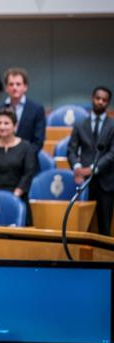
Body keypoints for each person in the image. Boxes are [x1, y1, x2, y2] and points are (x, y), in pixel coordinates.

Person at [68, 87, 114, 235]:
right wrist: (77, 167)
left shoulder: (112, 125)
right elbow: (71, 150)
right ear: (92, 98)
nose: (100, 102)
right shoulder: (80, 124)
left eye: (104, 100)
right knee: (82, 228)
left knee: (104, 227)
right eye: (98, 98)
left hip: (105, 182)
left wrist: (94, 168)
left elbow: (112, 154)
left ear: (108, 103)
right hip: (83, 182)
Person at [0, 108, 37, 226]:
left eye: (6, 123)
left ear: (15, 126)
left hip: (18, 197)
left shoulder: (26, 147)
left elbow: (28, 173)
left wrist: (16, 194)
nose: (2, 127)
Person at [0, 68, 46, 153]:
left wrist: (22, 157)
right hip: (3, 159)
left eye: (18, 84)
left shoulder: (37, 109)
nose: (14, 88)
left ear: (25, 87)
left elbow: (38, 142)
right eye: (11, 84)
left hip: (28, 160)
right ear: (6, 88)